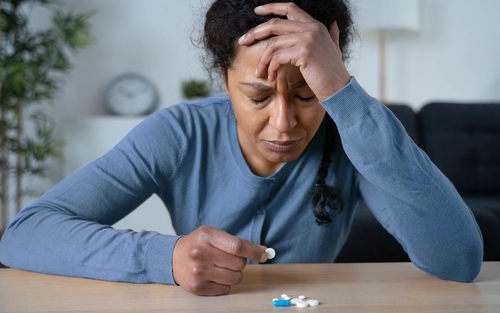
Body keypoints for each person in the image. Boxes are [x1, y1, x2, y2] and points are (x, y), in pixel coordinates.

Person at [0, 0, 483, 296]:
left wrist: (343, 92)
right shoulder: (178, 132)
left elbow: (458, 262)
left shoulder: (357, 133)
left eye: (306, 95)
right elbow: (24, 234)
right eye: (257, 95)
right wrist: (164, 259)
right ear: (223, 81)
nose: (283, 123)